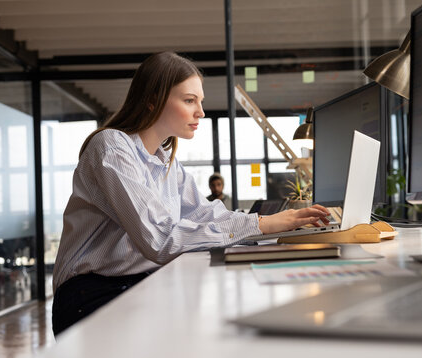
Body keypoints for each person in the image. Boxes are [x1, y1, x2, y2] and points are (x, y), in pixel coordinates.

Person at [51, 51, 330, 336]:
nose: (201, 112)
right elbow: (159, 239)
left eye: (200, 101)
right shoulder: (111, 146)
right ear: (152, 99)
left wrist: (278, 225)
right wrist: (262, 224)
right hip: (91, 294)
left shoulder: (167, 163)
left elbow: (207, 214)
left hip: (138, 282)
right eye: (189, 100)